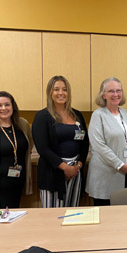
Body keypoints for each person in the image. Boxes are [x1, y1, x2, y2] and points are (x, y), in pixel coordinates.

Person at [86, 78, 127, 206]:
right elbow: (99, 146)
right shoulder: (98, 115)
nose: (115, 94)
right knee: (107, 219)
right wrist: (120, 165)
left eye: (118, 90)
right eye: (111, 91)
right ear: (103, 94)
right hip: (106, 176)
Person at [32, 75, 89, 208]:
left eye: (64, 89)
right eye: (56, 89)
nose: (61, 93)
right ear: (50, 92)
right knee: (53, 218)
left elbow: (85, 143)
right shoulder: (42, 117)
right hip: (53, 172)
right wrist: (65, 167)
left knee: (72, 214)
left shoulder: (77, 115)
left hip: (75, 171)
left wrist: (78, 166)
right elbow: (43, 148)